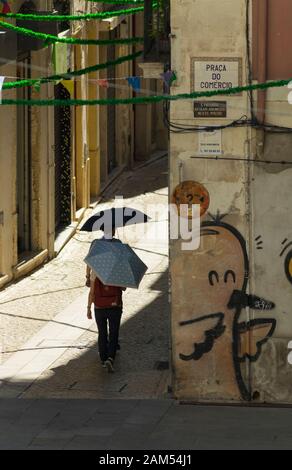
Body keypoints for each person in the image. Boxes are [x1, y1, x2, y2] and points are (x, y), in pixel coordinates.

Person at [86, 227, 125, 373]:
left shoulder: (96, 249)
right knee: (113, 332)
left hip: (99, 307)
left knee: (102, 333)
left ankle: (103, 359)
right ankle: (110, 358)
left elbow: (91, 292)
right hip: (115, 305)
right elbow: (123, 288)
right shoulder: (117, 267)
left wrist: (88, 307)